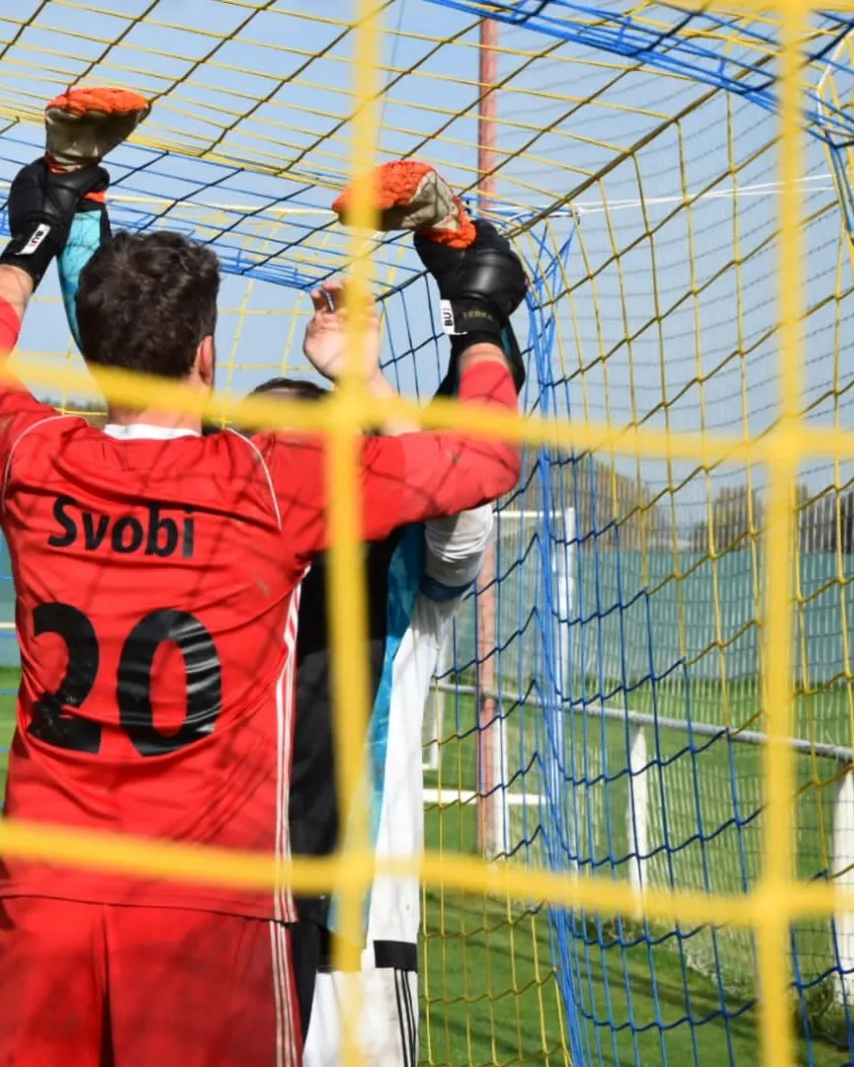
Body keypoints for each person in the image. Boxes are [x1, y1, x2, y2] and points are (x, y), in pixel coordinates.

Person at [0, 156, 524, 1067]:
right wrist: (477, 315)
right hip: (206, 912)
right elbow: (485, 460)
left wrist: (35, 240)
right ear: (206, 359)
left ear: (98, 355)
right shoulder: (268, 480)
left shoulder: (35, 455)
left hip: (47, 896)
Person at [251, 302, 502, 1064]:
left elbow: (464, 512)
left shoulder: (401, 576)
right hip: (225, 923)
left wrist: (365, 381)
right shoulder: (217, 576)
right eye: (259, 445)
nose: (279, 463)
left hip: (356, 952)